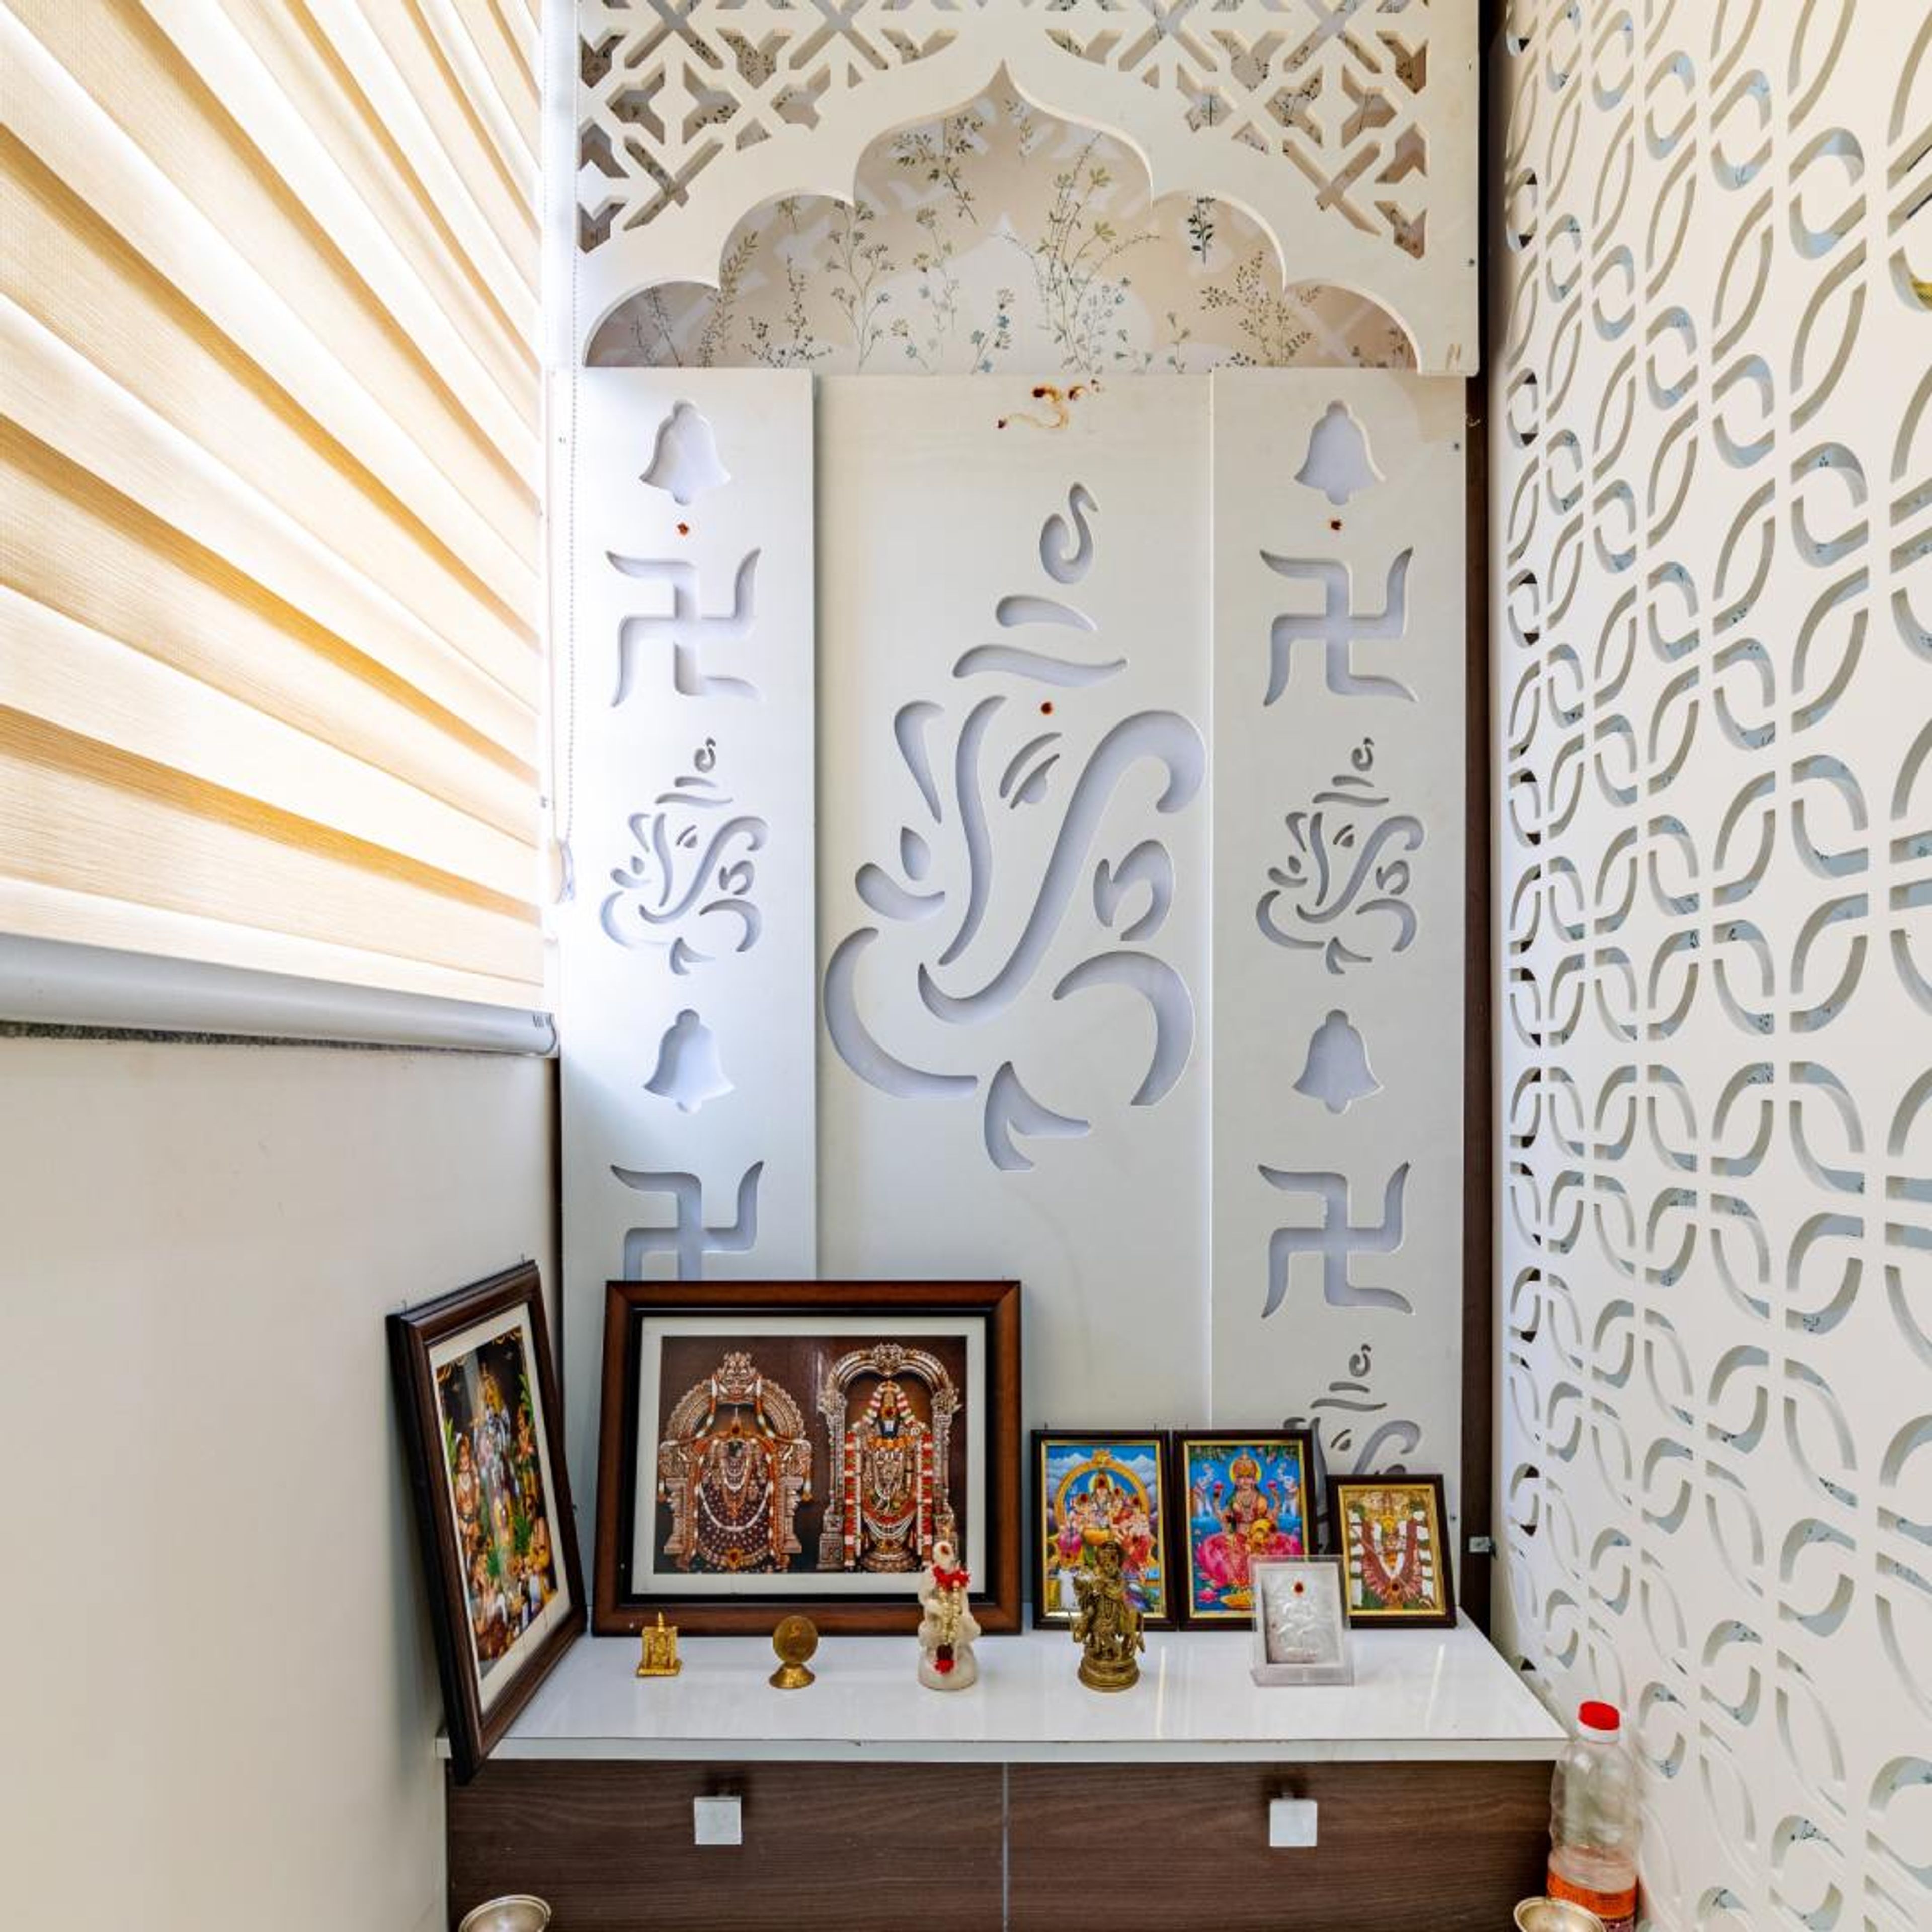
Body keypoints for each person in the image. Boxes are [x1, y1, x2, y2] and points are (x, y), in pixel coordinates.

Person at [1194, 1453, 1299, 1603]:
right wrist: (1216, 1503)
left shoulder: (1261, 1498)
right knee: (1214, 1546)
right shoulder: (1233, 1499)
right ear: (1235, 1479)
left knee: (1284, 1545)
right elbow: (1224, 1523)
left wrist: (1277, 1502)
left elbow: (1269, 1520)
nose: (1245, 1481)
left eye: (1248, 1476)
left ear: (1255, 1478)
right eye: (1241, 1477)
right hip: (1238, 1538)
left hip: (1259, 1538)